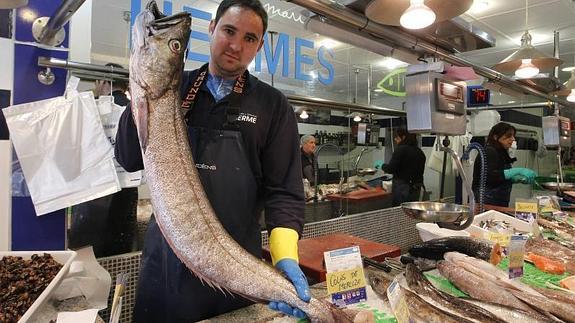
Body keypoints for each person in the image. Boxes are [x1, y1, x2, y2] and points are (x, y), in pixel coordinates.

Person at [114, 1, 309, 322]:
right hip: (166, 265)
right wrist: (138, 97)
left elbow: (284, 192)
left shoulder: (273, 106)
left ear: (259, 46)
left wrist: (284, 256)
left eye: (249, 38)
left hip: (234, 272)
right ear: (212, 28)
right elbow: (128, 157)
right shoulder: (178, 86)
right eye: (229, 31)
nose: (235, 45)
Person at [68, 63, 137, 257]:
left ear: (102, 81)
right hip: (127, 193)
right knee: (120, 255)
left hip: (94, 196)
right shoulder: (134, 110)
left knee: (88, 256)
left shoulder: (91, 109)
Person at [472, 122, 536, 207]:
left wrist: (516, 179)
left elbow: (500, 174)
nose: (513, 139)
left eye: (513, 136)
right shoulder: (490, 151)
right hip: (487, 200)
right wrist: (518, 171)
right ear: (495, 137)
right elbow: (491, 176)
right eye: (509, 136)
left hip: (498, 200)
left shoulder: (501, 151)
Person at [382, 128, 426, 206]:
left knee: (399, 212)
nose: (395, 139)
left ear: (403, 137)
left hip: (403, 188)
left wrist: (381, 165)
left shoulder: (401, 150)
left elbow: (390, 169)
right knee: (412, 212)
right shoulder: (420, 152)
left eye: (397, 137)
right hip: (417, 188)